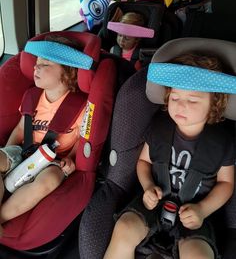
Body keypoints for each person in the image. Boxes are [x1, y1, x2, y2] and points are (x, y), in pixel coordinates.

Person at [103, 53, 235, 259]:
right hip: (154, 202)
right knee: (124, 227)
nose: (181, 105)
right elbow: (144, 162)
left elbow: (226, 184)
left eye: (192, 99)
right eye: (175, 97)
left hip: (195, 212)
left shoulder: (222, 142)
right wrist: (147, 186)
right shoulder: (159, 127)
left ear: (214, 103)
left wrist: (203, 209)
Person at [0, 34, 86, 236]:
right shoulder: (31, 96)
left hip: (52, 160)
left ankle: (2, 217)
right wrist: (8, 153)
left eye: (45, 64)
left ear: (67, 72)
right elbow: (21, 129)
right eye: (36, 63)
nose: (35, 67)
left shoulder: (80, 107)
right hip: (22, 151)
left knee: (51, 181)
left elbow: (81, 139)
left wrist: (71, 158)